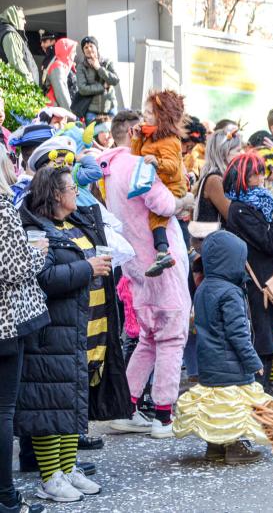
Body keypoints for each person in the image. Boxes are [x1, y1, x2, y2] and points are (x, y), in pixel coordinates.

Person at [17, 165, 108, 502]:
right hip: (51, 330)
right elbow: (43, 278)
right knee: (48, 404)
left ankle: (67, 469)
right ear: (56, 194)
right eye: (71, 188)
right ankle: (50, 477)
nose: (76, 193)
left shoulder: (73, 223)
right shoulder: (35, 230)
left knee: (70, 400)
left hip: (77, 325)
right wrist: (87, 267)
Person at [100, 135, 190, 439]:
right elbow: (162, 203)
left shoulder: (108, 168)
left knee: (149, 338)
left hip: (135, 265)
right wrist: (184, 200)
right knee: (172, 337)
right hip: (161, 262)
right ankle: (163, 416)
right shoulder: (137, 164)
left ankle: (126, 408)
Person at [173, 230, 273, 463]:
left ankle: (215, 446)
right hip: (231, 364)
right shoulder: (230, 293)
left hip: (208, 361)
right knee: (233, 405)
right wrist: (253, 361)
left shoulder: (203, 288)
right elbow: (237, 334)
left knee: (216, 403)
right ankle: (235, 446)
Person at [223, 153, 273, 398]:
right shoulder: (239, 209)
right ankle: (260, 386)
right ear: (241, 177)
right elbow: (270, 241)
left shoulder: (261, 201)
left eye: (262, 171)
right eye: (255, 173)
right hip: (257, 281)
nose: (261, 177)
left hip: (272, 275)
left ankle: (270, 382)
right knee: (264, 337)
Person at [0, 166, 49, 513]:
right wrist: (38, 251)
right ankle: (5, 496)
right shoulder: (2, 209)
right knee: (3, 411)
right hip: (4, 321)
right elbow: (15, 268)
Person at [131, 90, 191, 277]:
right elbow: (136, 158)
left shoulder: (170, 140)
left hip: (171, 186)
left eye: (150, 112)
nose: (145, 115)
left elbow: (173, 167)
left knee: (156, 215)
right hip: (157, 183)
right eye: (145, 111)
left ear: (163, 116)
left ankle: (163, 252)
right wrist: (136, 138)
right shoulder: (149, 135)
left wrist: (158, 162)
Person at [76, 36, 119, 122]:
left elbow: (115, 80)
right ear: (83, 51)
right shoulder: (81, 67)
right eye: (86, 47)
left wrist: (99, 68)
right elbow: (82, 89)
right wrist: (102, 87)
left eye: (91, 46)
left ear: (96, 47)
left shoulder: (107, 62)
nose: (89, 49)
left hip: (110, 108)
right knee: (92, 131)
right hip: (91, 111)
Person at [0, 6, 38, 84]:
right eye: (22, 18)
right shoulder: (9, 34)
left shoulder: (7, 32)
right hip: (23, 86)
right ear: (14, 17)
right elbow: (16, 62)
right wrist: (30, 84)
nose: (25, 21)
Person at [44, 38, 78, 110]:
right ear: (66, 51)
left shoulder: (64, 66)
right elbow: (61, 94)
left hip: (59, 109)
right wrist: (70, 114)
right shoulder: (57, 67)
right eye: (73, 51)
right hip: (57, 110)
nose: (75, 54)